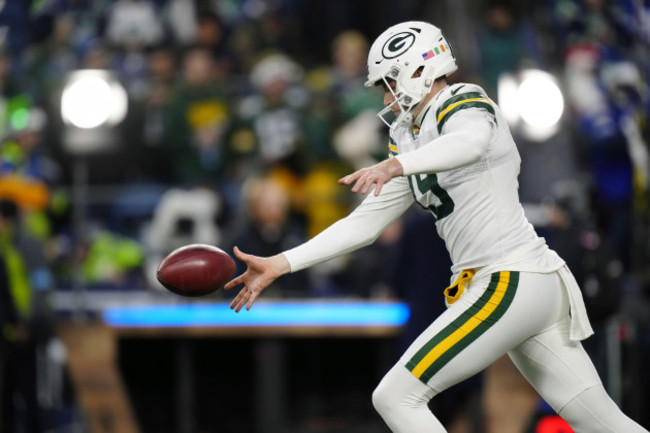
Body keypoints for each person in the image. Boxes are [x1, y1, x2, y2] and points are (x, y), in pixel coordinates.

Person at [225, 21, 648, 433]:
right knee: (602, 424)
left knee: (395, 397)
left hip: (509, 278)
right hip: (522, 281)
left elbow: (470, 142)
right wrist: (282, 262)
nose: (387, 96)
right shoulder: (409, 136)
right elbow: (365, 224)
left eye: (390, 81)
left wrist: (396, 164)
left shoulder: (462, 99)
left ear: (417, 67)